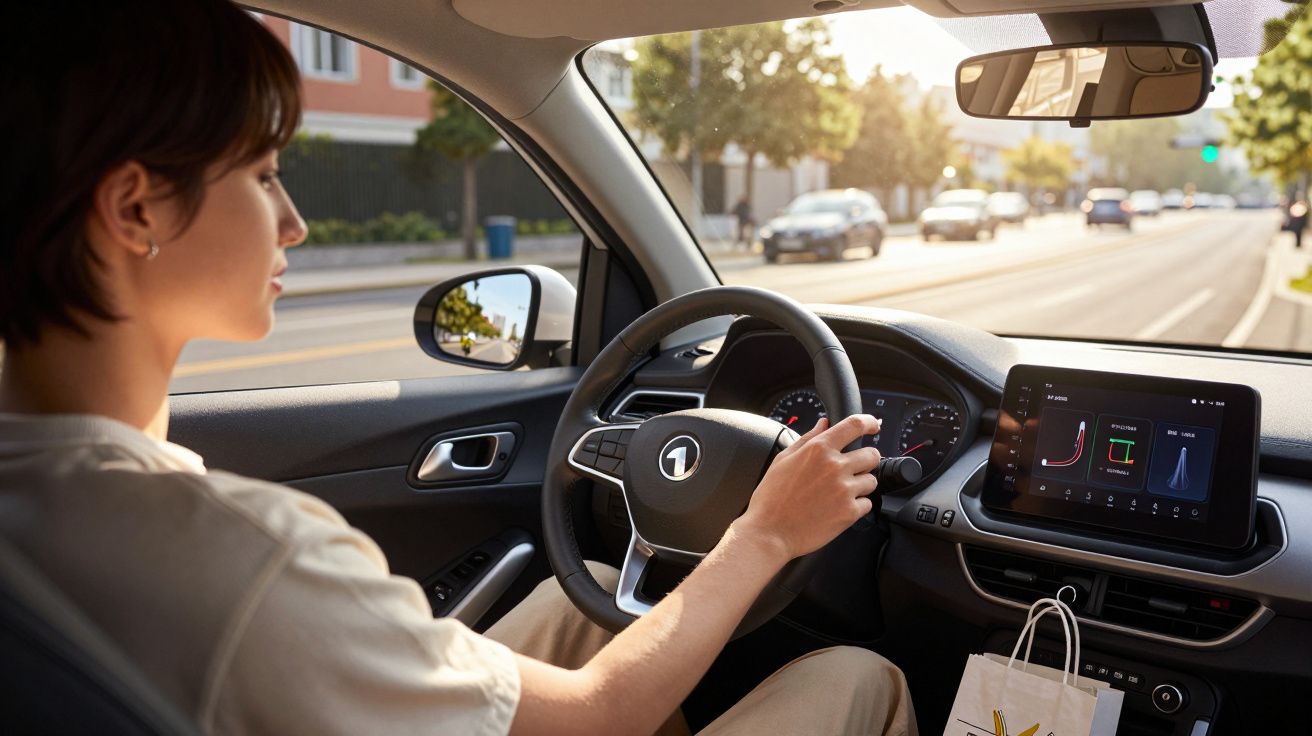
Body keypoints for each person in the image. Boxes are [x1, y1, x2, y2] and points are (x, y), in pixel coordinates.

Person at [0, 2, 916, 735]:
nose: (293, 223)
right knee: (856, 677)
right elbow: (602, 714)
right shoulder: (245, 556)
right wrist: (762, 534)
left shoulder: (56, 499)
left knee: (576, 602)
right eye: (265, 174)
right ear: (135, 210)